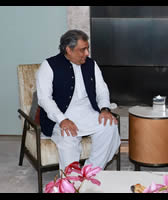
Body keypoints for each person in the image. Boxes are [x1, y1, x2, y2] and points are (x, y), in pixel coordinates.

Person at [36, 29, 121, 171]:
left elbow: (102, 89)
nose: (87, 53)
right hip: (61, 115)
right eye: (82, 50)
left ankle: (90, 171)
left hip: (88, 112)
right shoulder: (49, 65)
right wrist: (62, 119)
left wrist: (105, 109)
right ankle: (71, 181)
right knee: (68, 139)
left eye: (87, 48)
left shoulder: (91, 64)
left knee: (110, 127)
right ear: (69, 49)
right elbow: (44, 99)